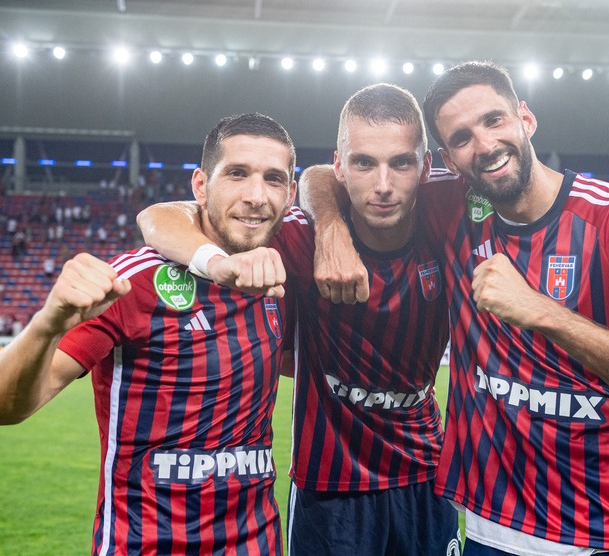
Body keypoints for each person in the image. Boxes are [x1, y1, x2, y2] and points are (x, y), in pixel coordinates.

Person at [307, 62, 609, 556]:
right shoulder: (449, 205)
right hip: (489, 529)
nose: (485, 144)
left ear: (525, 119)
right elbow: (324, 175)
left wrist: (541, 310)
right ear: (448, 161)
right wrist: (331, 229)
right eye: (462, 137)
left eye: (494, 120)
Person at [137, 84, 461, 556]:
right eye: (364, 163)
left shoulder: (451, 215)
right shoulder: (297, 238)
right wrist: (322, 229)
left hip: (427, 474)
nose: (383, 184)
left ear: (426, 168)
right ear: (341, 167)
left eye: (401, 163)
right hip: (330, 489)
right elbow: (158, 217)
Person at [0, 113, 299, 556]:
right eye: (237, 174)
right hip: (145, 544)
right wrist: (47, 325)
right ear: (201, 186)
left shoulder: (282, 273)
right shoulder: (136, 281)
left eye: (273, 179)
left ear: (290, 194)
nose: (256, 196)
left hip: (257, 543)